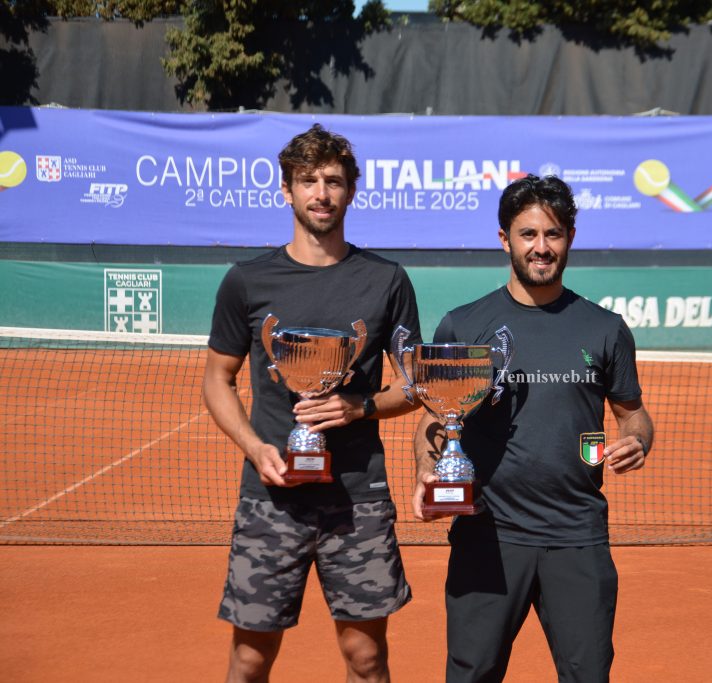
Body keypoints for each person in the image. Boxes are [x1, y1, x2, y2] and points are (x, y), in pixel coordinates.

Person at [412, 174, 655, 682]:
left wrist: (637, 438)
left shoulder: (605, 328)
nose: (541, 248)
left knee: (588, 675)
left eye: (553, 234)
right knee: (471, 674)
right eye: (528, 234)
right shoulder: (463, 325)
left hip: (577, 537)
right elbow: (437, 419)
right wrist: (429, 473)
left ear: (569, 237)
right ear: (505, 240)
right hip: (487, 534)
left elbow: (632, 412)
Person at [203, 123, 422, 683]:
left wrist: (360, 408)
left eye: (333, 180)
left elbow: (414, 384)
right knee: (250, 660)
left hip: (358, 497)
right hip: (272, 498)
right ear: (287, 190)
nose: (321, 193)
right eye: (308, 180)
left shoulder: (387, 280)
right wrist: (255, 448)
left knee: (366, 658)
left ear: (351, 191)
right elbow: (216, 380)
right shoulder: (247, 281)